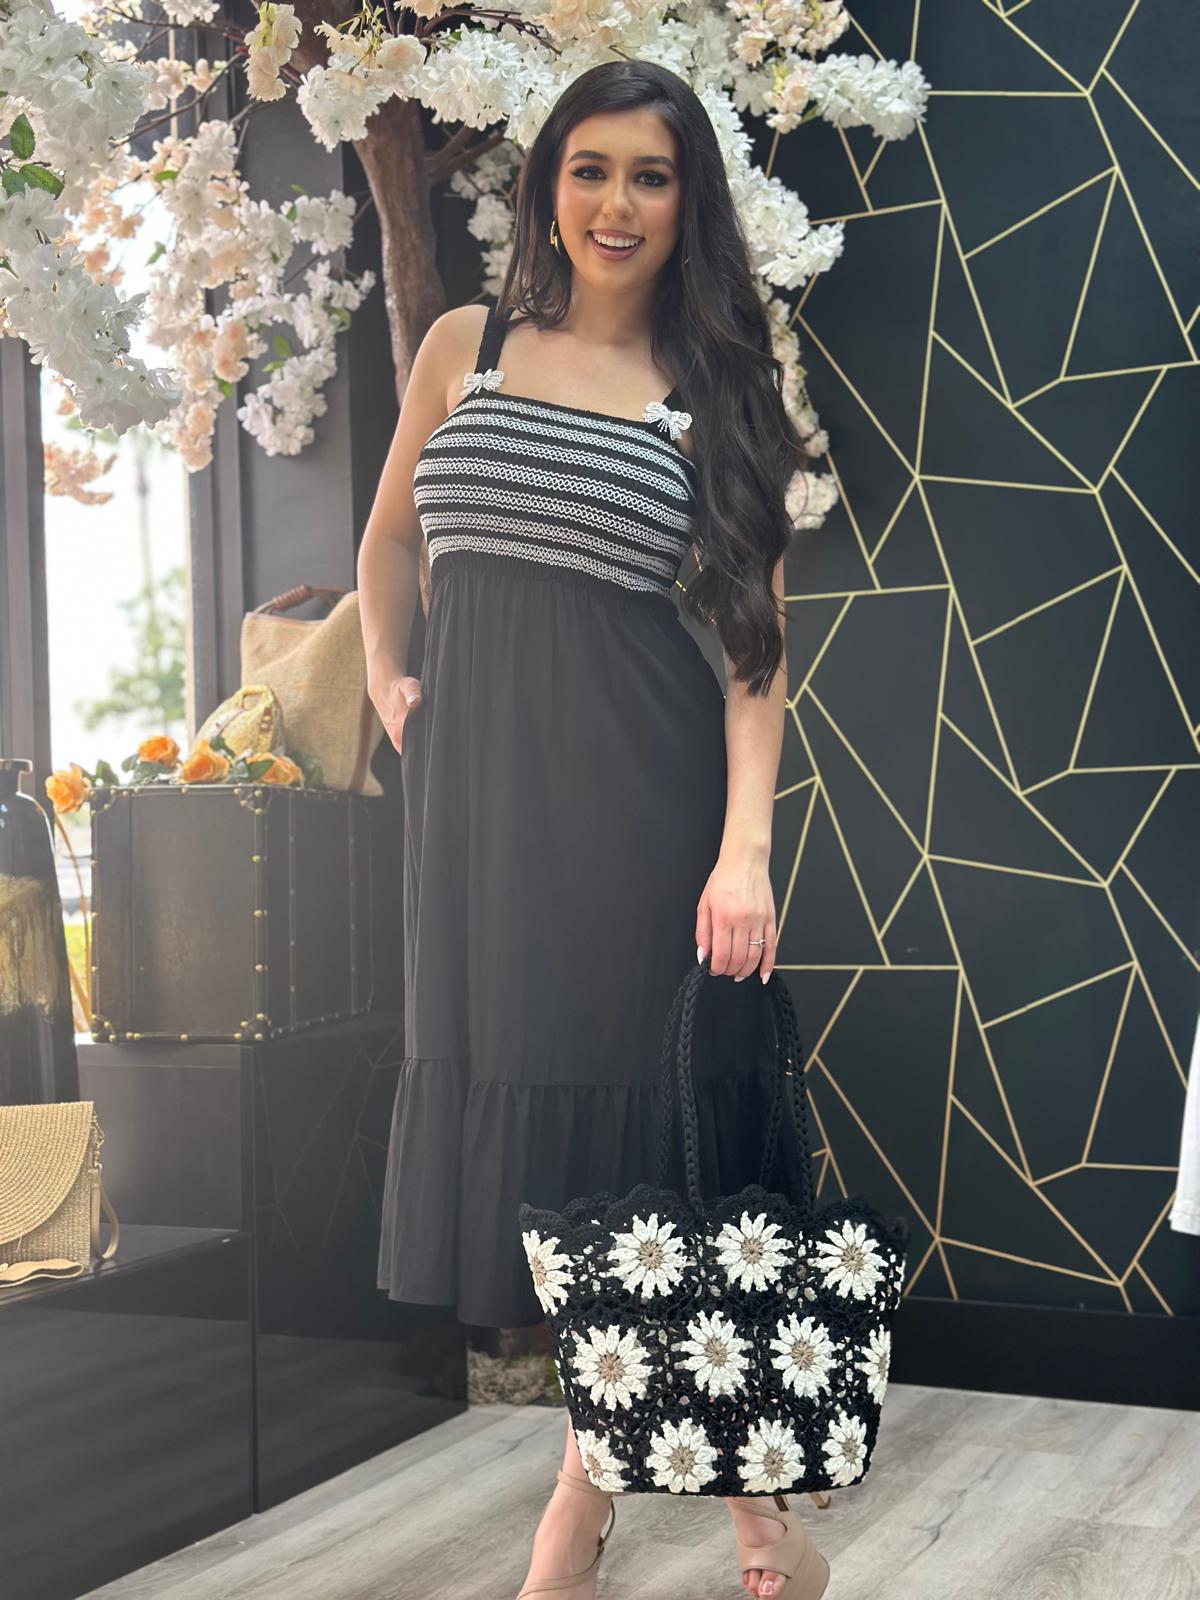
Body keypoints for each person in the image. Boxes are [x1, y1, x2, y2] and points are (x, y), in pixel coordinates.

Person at [357, 56, 828, 1600]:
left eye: (652, 175)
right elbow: (387, 543)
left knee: (642, 1148)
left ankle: (603, 1500)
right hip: (478, 820)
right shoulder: (463, 347)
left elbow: (754, 648)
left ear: (689, 204)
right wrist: (391, 678)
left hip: (638, 807)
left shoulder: (718, 390)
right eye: (591, 167)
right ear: (548, 182)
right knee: (552, 1158)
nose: (617, 202)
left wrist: (744, 849)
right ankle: (729, 1507)